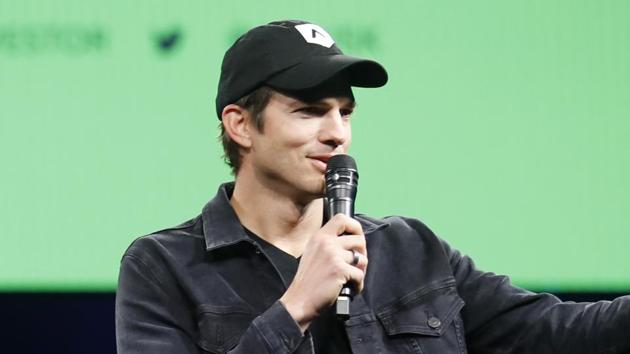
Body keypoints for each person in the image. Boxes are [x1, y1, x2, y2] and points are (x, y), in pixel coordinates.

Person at [115, 20, 630, 353]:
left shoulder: (412, 250)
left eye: (345, 112)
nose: (336, 132)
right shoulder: (162, 268)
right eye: (309, 111)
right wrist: (292, 311)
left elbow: (564, 331)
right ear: (241, 125)